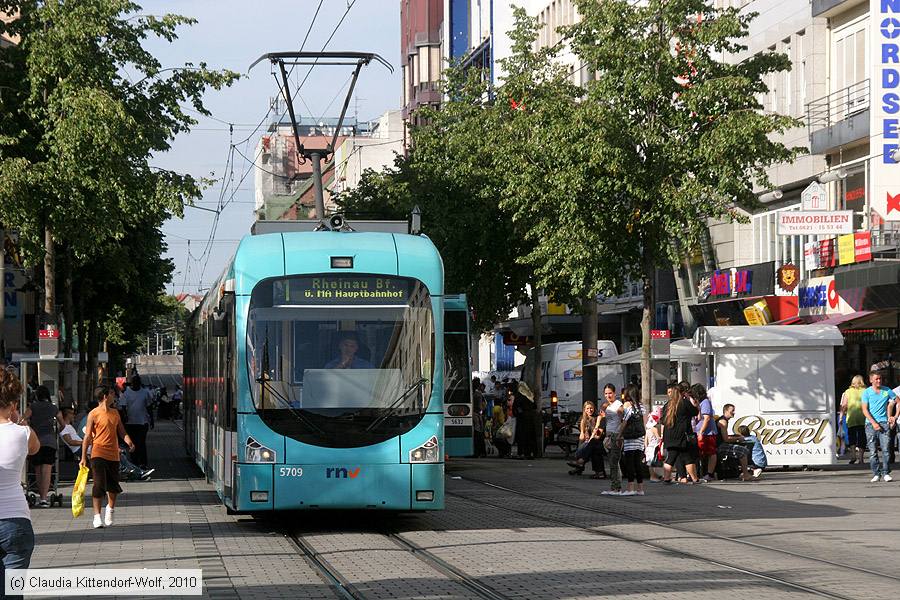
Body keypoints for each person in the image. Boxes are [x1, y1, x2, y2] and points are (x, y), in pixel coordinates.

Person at [0, 369, 40, 599]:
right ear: (14, 403)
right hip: (16, 521)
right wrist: (16, 419)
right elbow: (34, 449)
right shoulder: (24, 433)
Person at [81, 385, 135, 529]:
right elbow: (87, 437)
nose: (113, 396)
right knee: (98, 485)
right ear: (105, 396)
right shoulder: (93, 414)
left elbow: (121, 431)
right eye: (111, 394)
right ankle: (97, 516)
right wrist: (83, 457)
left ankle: (110, 510)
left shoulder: (115, 413)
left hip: (113, 455)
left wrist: (128, 440)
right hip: (98, 453)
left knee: (113, 485)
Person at [24, 385, 63, 508]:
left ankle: (39, 496)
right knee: (47, 471)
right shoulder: (53, 408)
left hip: (35, 442)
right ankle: (44, 498)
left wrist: (30, 426)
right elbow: (62, 423)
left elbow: (23, 419)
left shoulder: (33, 407)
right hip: (49, 441)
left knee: (37, 470)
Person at [660, 382, 701, 484]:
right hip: (682, 435)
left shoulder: (667, 405)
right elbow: (695, 412)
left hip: (669, 435)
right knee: (684, 457)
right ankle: (694, 479)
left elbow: (662, 421)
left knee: (676, 457)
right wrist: (695, 404)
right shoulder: (684, 403)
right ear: (682, 393)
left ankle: (667, 478)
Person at [862, 371, 896, 482]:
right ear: (871, 380)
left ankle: (886, 472)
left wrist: (894, 416)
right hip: (870, 424)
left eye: (880, 378)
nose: (879, 381)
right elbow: (864, 409)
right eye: (876, 379)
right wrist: (873, 423)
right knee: (873, 451)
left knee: (886, 450)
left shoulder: (887, 390)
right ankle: (876, 473)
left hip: (884, 423)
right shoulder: (866, 392)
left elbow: (898, 401)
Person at [566, 400, 606, 479]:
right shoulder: (583, 419)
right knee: (583, 447)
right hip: (590, 442)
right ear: (584, 409)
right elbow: (582, 436)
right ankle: (582, 466)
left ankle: (580, 463)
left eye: (591, 408)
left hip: (599, 441)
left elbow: (597, 435)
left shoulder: (598, 418)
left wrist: (588, 443)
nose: (589, 410)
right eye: (587, 408)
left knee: (592, 447)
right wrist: (580, 447)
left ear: (594, 408)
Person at [618, 384, 645, 496]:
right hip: (640, 437)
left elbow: (624, 421)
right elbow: (643, 422)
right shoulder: (642, 407)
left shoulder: (628, 405)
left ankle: (630, 488)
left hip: (630, 438)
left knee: (629, 463)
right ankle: (640, 489)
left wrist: (619, 435)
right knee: (638, 463)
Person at [121, 375, 153, 469]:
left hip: (143, 422)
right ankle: (134, 462)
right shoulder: (126, 393)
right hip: (130, 423)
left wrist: (151, 419)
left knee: (141, 442)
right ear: (132, 383)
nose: (136, 384)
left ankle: (143, 463)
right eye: (134, 382)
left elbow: (149, 406)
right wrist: (125, 416)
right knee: (132, 443)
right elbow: (123, 406)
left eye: (138, 382)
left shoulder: (145, 392)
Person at [716, 404, 753, 481]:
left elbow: (724, 436)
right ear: (726, 411)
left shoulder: (723, 420)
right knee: (743, 451)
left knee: (740, 449)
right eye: (732, 410)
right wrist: (738, 439)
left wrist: (735, 437)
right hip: (719, 446)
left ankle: (740, 472)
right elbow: (726, 439)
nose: (734, 412)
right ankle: (745, 474)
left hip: (720, 444)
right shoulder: (723, 422)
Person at [600, 384, 624, 494]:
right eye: (606, 393)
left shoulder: (619, 405)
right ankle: (614, 485)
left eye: (610, 393)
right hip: (608, 435)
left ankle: (616, 486)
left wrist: (620, 436)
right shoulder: (607, 405)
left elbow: (624, 420)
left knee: (614, 461)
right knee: (612, 461)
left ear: (615, 393)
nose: (608, 395)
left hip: (616, 435)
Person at [692, 384, 718, 482]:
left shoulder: (705, 402)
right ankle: (704, 473)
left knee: (711, 452)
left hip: (708, 432)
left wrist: (701, 432)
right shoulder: (701, 403)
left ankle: (710, 473)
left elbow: (706, 418)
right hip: (703, 432)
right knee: (702, 453)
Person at [840, 375, 867, 466]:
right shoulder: (866, 391)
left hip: (851, 417)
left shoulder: (847, 391)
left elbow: (844, 405)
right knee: (862, 437)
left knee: (852, 437)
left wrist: (840, 416)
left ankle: (853, 456)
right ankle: (861, 459)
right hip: (863, 417)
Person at [514, 381, 540, 460]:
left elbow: (516, 407)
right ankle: (531, 453)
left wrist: (519, 413)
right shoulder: (529, 395)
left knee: (522, 437)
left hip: (522, 419)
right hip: (530, 419)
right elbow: (535, 406)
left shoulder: (519, 395)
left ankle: (522, 453)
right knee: (530, 436)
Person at [644, 406, 664, 482]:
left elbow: (646, 441)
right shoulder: (654, 428)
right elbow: (658, 438)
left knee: (650, 463)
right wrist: (661, 437)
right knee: (653, 463)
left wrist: (646, 448)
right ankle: (653, 477)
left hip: (649, 448)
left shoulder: (648, 429)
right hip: (654, 447)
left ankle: (654, 476)